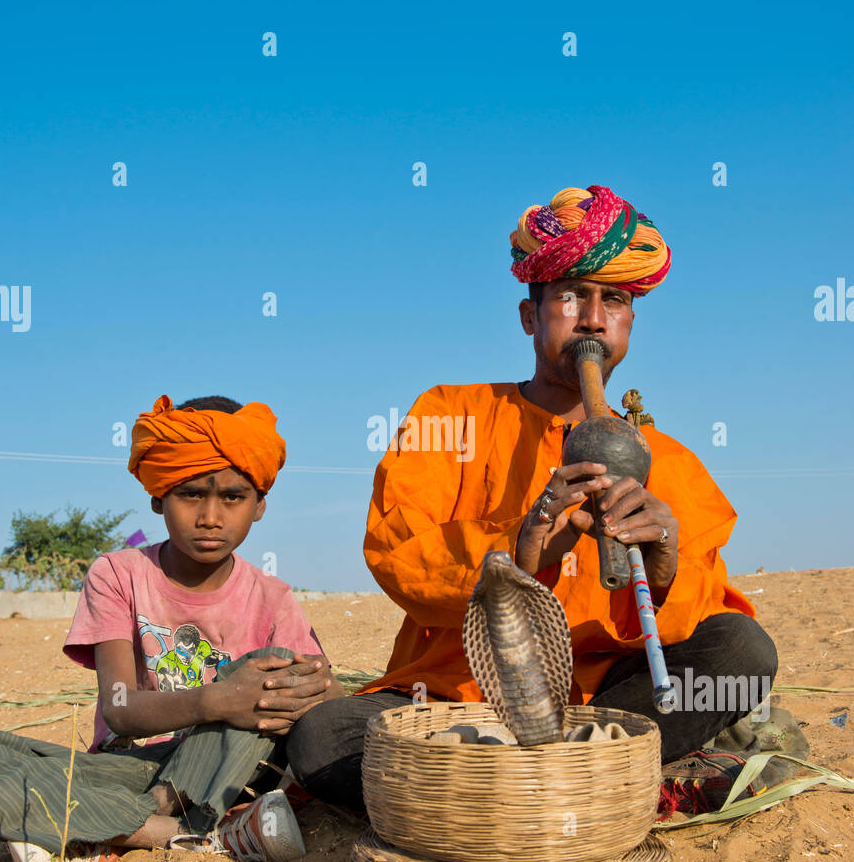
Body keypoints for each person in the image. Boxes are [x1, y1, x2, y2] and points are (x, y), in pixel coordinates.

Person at [289, 183, 793, 817]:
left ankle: (506, 794)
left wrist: (664, 570)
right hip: (457, 699)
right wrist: (517, 550)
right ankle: (591, 787)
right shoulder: (448, 414)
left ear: (630, 324)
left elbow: (693, 620)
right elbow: (399, 555)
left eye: (614, 300)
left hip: (603, 701)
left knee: (742, 652)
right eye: (570, 296)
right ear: (531, 316)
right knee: (321, 740)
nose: (591, 318)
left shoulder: (669, 459)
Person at [0, 394, 345, 862]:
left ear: (259, 505)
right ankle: (189, 833)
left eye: (233, 498)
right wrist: (215, 700)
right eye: (191, 494)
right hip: (127, 762)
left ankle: (106, 830)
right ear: (158, 497)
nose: (210, 517)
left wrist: (307, 687)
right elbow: (119, 708)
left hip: (225, 766)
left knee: (273, 674)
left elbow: (322, 691)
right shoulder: (118, 574)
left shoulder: (273, 597)